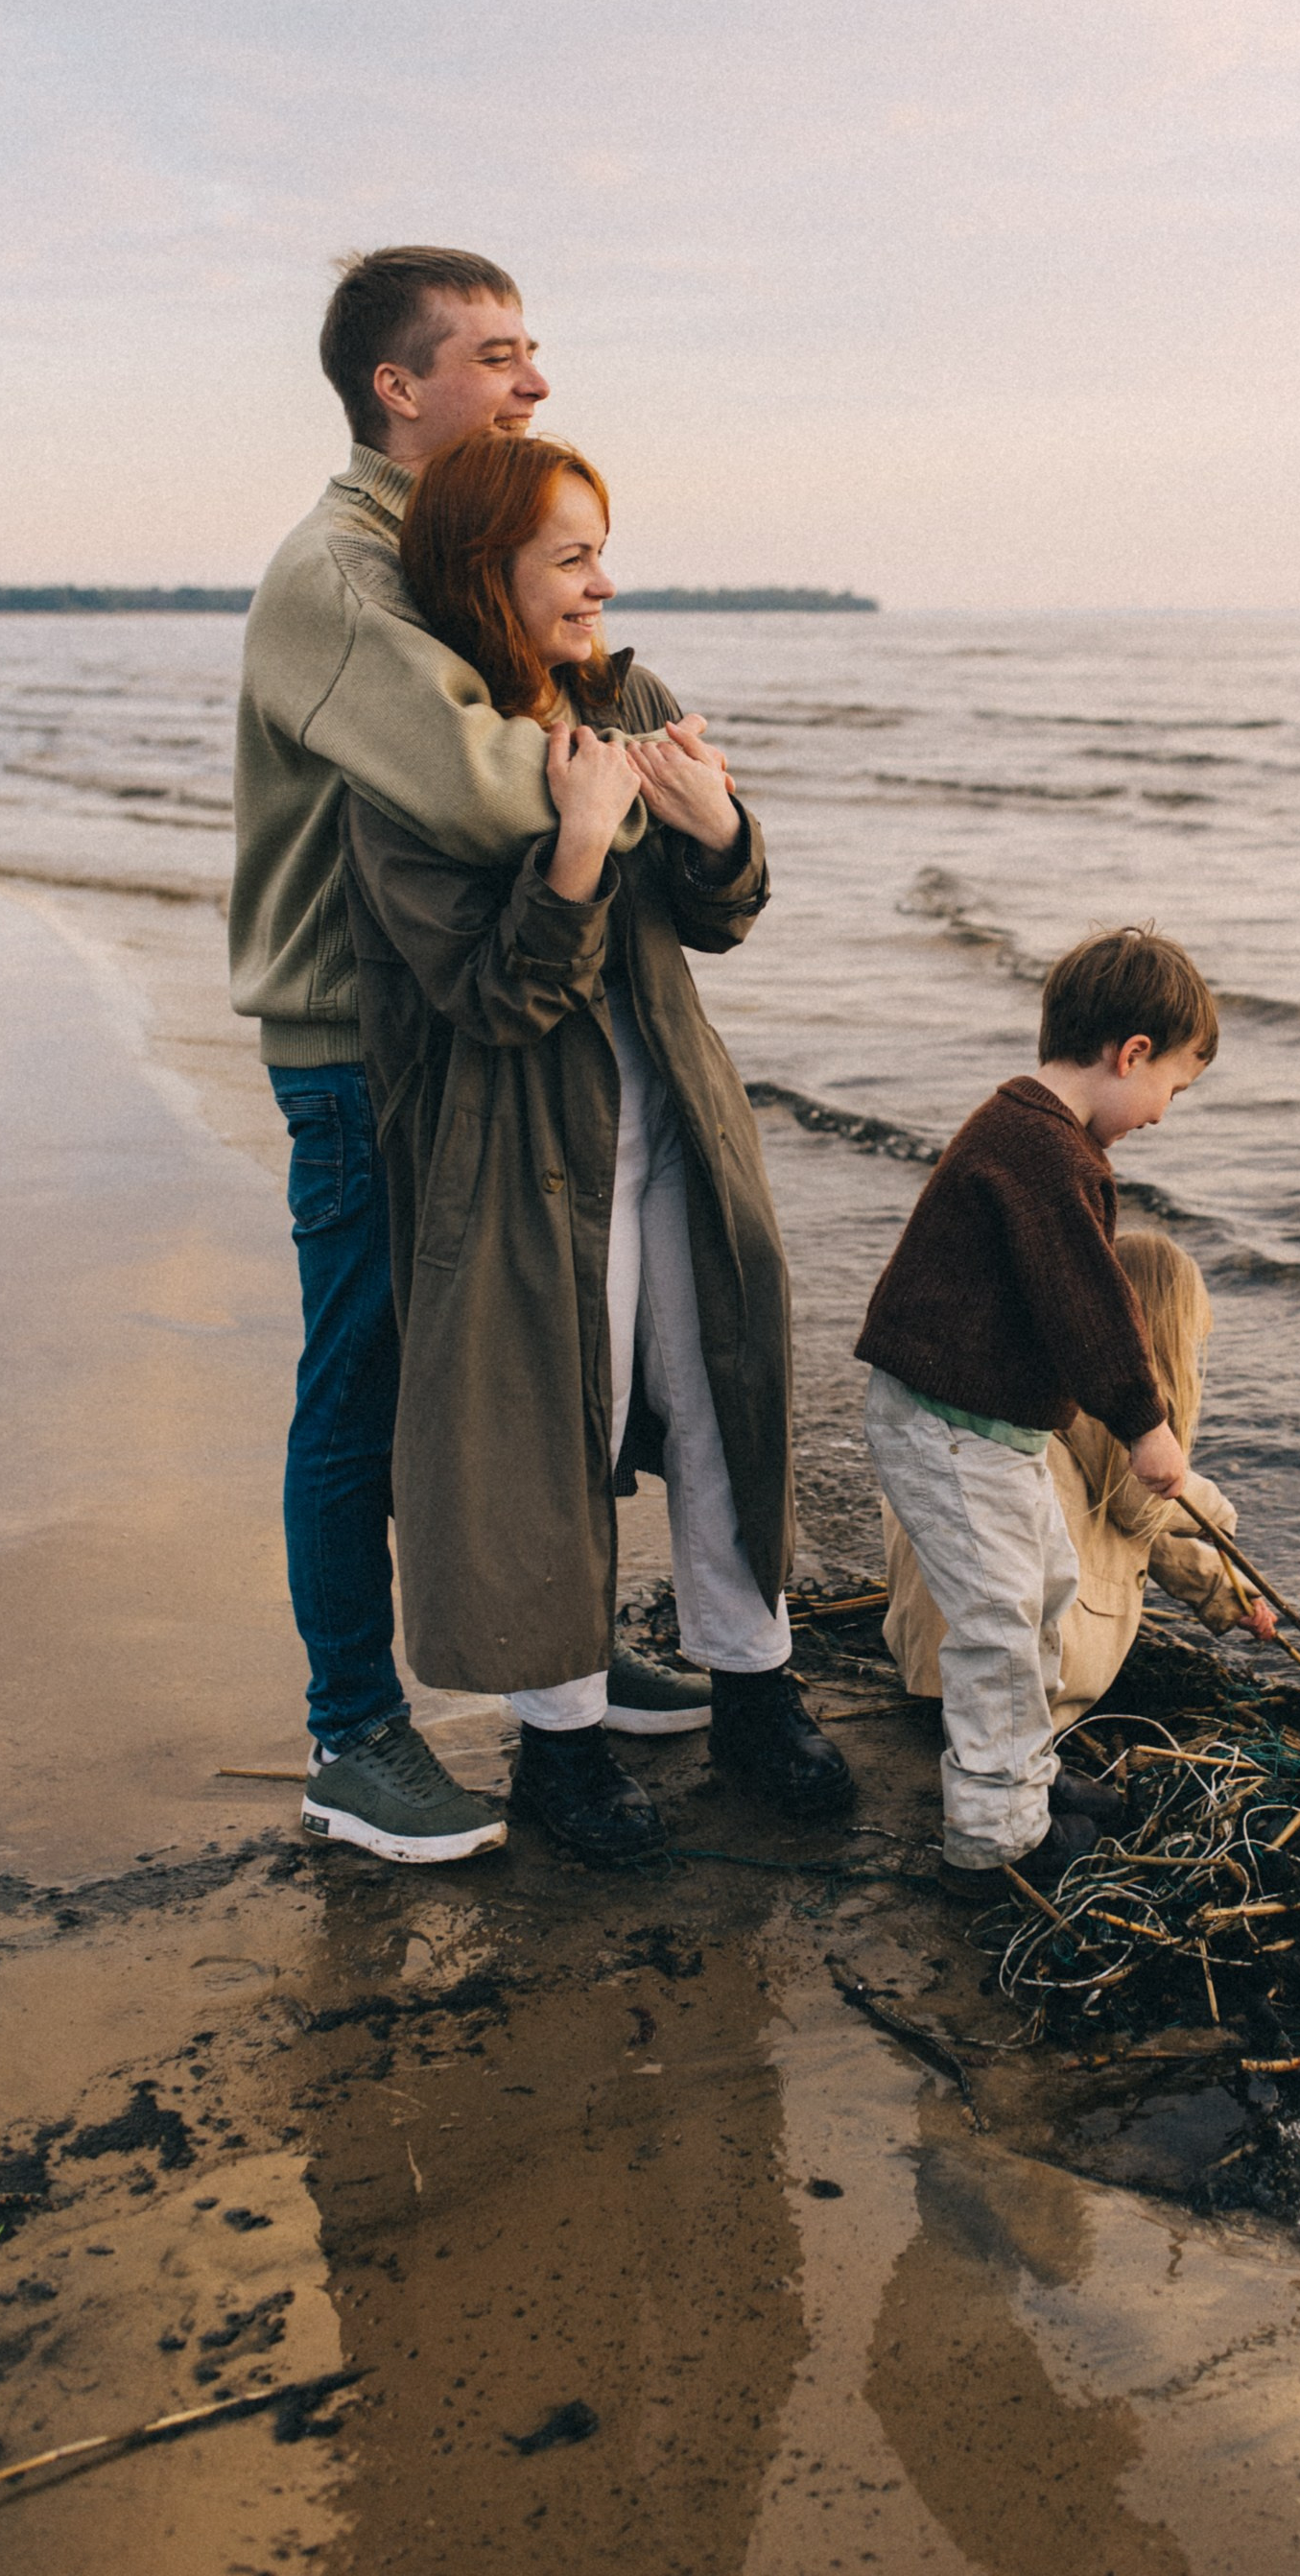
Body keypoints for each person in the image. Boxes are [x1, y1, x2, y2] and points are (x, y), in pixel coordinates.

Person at [230, 248, 707, 1871]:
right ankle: (353, 1736)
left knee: (529, 1365)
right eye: (498, 355)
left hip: (458, 1043)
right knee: (369, 1382)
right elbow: (491, 790)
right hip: (360, 1052)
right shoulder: (340, 574)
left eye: (532, 349)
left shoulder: (444, 549)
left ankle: (551, 1650)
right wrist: (646, 778)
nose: (534, 381)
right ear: (397, 385)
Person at [339, 427, 853, 1864]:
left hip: (676, 1121)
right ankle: (558, 1751)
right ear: (483, 570)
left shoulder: (627, 694)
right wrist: (572, 849)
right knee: (536, 1442)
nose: (602, 585)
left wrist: (717, 827)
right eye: (570, 560)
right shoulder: (411, 751)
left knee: (720, 1401)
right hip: (515, 1157)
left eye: (598, 553)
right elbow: (495, 1001)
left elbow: (719, 913)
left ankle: (754, 1690)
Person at [856, 926, 1218, 1898]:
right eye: (1172, 1088)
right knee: (998, 1623)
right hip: (944, 1421)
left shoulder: (1037, 1135)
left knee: (1048, 1586)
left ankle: (1030, 1776)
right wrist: (1146, 1425)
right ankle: (993, 1836)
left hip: (988, 1420)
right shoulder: (1046, 1154)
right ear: (1130, 1052)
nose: (1162, 1114)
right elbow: (1087, 1307)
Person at [880, 1228, 1276, 1728]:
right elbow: (1139, 1507)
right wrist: (1217, 1509)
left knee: (1086, 1499)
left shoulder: (1031, 1360)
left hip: (935, 1651)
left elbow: (1121, 1513)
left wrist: (1221, 1591)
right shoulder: (1106, 1392)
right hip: (1009, 1679)